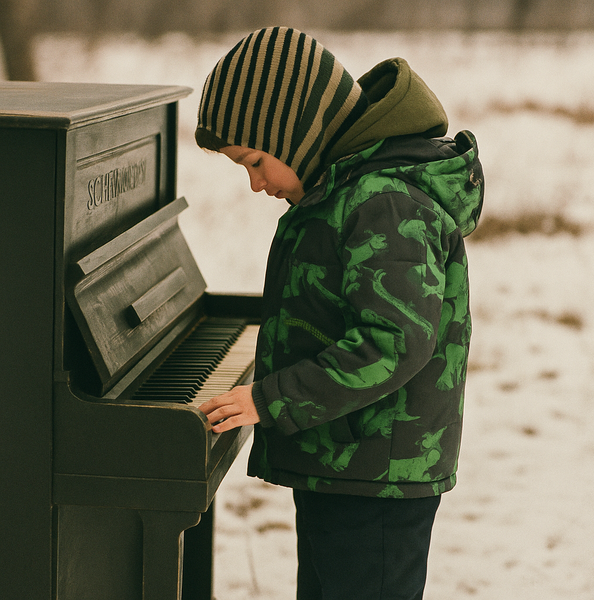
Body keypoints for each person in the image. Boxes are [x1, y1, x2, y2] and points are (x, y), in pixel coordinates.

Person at [196, 26, 484, 600]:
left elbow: (394, 342)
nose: (256, 184)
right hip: (350, 461)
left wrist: (270, 398)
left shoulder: (383, 200)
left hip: (377, 478)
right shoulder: (347, 188)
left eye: (256, 161)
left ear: (296, 133)